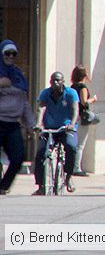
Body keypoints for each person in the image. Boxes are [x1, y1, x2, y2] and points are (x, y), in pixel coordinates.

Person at [34, 71, 79, 195]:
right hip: (49, 129)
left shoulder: (71, 93)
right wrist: (39, 124)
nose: (55, 82)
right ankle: (40, 185)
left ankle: (68, 176)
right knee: (41, 152)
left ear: (63, 82)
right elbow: (41, 108)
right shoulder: (45, 93)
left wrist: (72, 124)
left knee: (71, 146)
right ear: (50, 81)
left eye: (58, 80)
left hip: (66, 128)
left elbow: (75, 109)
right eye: (53, 80)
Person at [0, 40, 35, 195]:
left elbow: (24, 103)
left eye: (13, 54)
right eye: (7, 53)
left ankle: (3, 186)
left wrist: (31, 124)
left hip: (13, 124)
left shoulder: (19, 75)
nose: (10, 57)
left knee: (18, 156)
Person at [69, 65, 98, 177]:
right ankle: (76, 167)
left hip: (73, 117)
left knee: (73, 143)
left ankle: (72, 166)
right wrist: (93, 99)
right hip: (82, 117)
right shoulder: (82, 87)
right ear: (84, 75)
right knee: (80, 144)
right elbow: (84, 102)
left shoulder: (72, 87)